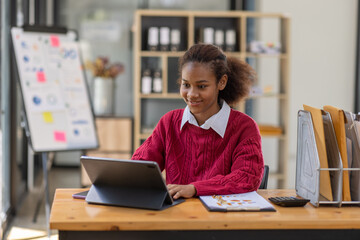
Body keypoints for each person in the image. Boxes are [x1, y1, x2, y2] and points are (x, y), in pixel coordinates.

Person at [132, 43, 264, 199]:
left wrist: (195, 188)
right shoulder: (169, 122)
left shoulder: (244, 127)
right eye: (186, 85)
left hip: (222, 220)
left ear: (221, 82)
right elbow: (138, 170)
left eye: (201, 86)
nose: (192, 94)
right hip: (178, 216)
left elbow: (247, 177)